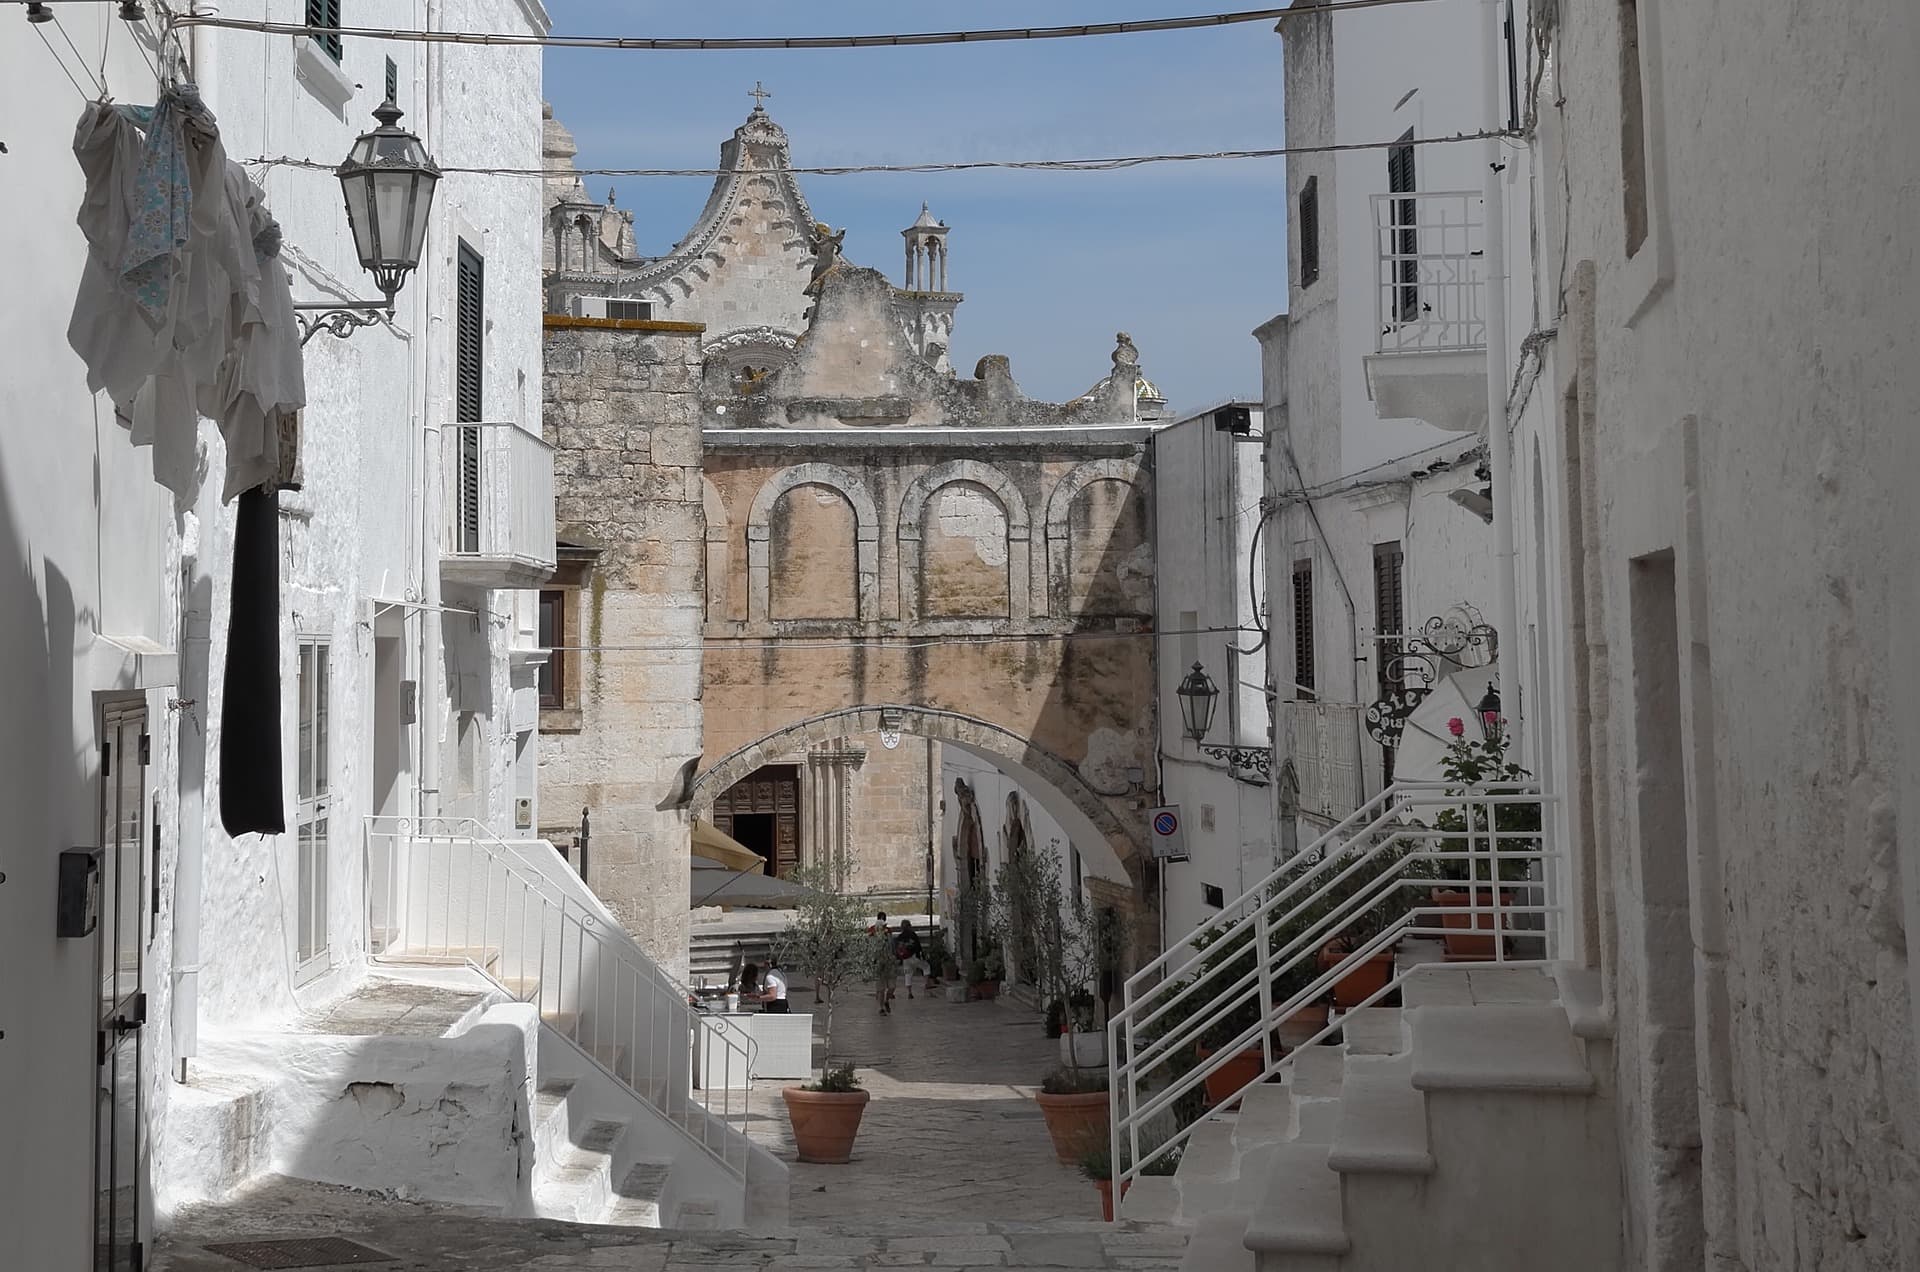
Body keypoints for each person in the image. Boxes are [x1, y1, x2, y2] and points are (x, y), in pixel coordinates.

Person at [894, 919, 927, 999]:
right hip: (914, 957)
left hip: (905, 959)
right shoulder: (913, 934)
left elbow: (897, 949)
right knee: (926, 967)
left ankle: (909, 993)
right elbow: (918, 946)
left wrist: (899, 958)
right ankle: (927, 984)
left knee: (908, 975)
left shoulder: (900, 937)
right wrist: (922, 955)